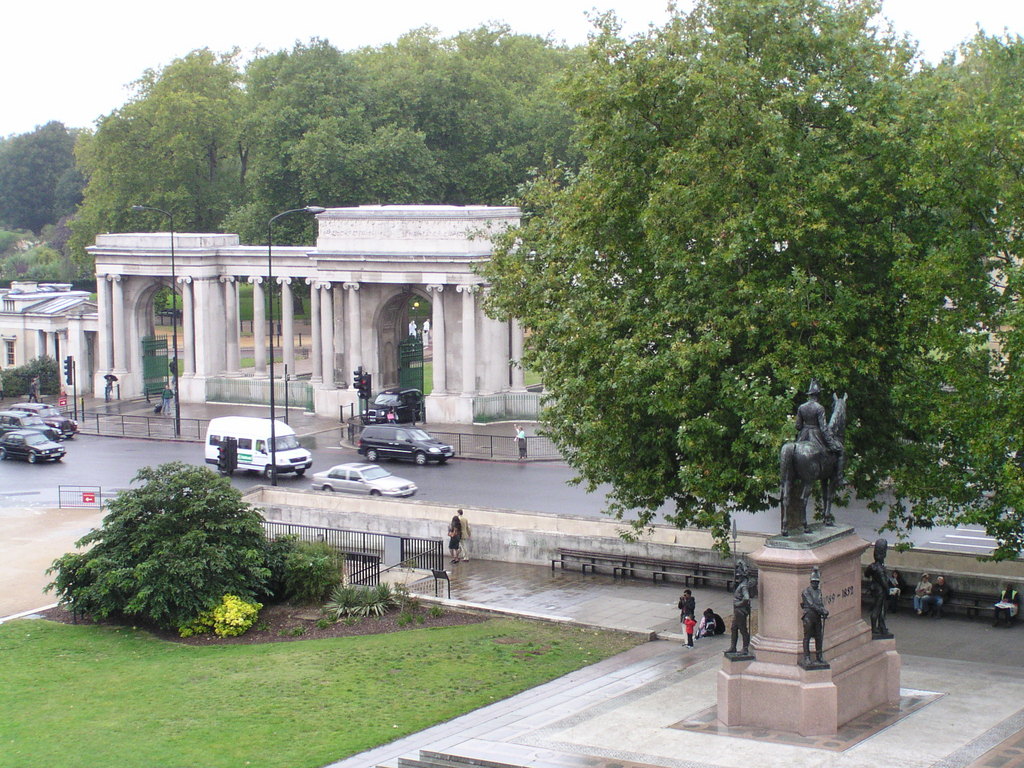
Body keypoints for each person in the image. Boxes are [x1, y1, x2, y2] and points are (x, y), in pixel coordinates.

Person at [795, 379, 844, 486]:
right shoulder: (819, 408)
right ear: (818, 394)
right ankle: (839, 478)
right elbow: (823, 427)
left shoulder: (801, 407)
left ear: (809, 395)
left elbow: (798, 426)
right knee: (840, 450)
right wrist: (830, 440)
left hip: (803, 435)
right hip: (816, 435)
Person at [801, 568, 829, 666]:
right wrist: (822, 610)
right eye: (814, 582)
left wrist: (824, 612)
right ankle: (807, 657)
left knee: (818, 636)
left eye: (817, 582)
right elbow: (811, 604)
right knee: (807, 637)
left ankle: (819, 656)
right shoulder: (806, 592)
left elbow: (820, 603)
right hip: (809, 616)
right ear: (811, 581)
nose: (815, 584)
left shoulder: (819, 592)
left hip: (817, 617)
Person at [726, 560, 753, 656]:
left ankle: (745, 648)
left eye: (738, 577)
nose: (737, 578)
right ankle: (733, 647)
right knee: (734, 628)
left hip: (740, 611)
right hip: (737, 611)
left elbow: (746, 598)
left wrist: (738, 604)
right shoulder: (741, 584)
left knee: (742, 629)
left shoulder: (744, 586)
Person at [866, 538, 890, 636]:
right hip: (880, 591)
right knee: (878, 608)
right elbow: (884, 583)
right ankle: (875, 628)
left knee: (878, 608)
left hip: (875, 589)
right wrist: (888, 591)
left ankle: (879, 626)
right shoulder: (880, 569)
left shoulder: (872, 566)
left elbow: (866, 574)